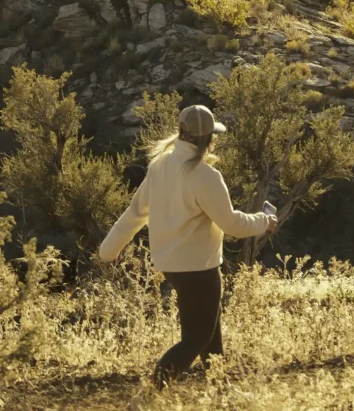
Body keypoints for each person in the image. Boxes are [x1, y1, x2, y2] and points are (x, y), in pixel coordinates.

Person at [99, 105, 278, 388]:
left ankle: (221, 393)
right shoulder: (204, 175)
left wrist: (108, 251)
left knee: (210, 333)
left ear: (181, 133)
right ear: (209, 138)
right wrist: (264, 221)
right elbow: (231, 224)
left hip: (171, 265)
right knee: (196, 339)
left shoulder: (159, 166)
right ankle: (148, 397)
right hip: (199, 268)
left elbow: (135, 214)